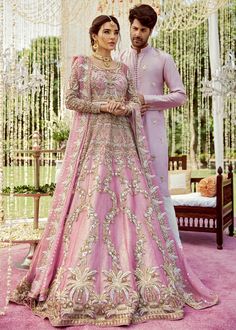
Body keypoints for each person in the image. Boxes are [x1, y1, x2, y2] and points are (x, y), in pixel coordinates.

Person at [10, 15, 217, 327]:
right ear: (94, 35)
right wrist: (103, 107)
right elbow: (71, 100)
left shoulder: (124, 68)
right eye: (107, 31)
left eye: (115, 32)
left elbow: (134, 99)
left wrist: (127, 106)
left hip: (123, 143)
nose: (113, 36)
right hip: (94, 145)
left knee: (131, 207)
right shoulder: (81, 63)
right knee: (92, 205)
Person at [119, 4, 187, 246]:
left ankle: (172, 249)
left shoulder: (163, 59)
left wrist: (149, 100)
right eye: (134, 28)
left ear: (151, 31)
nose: (137, 34)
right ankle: (134, 249)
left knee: (159, 188)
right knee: (127, 190)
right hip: (124, 133)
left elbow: (180, 95)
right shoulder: (119, 59)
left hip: (153, 131)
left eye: (143, 29)